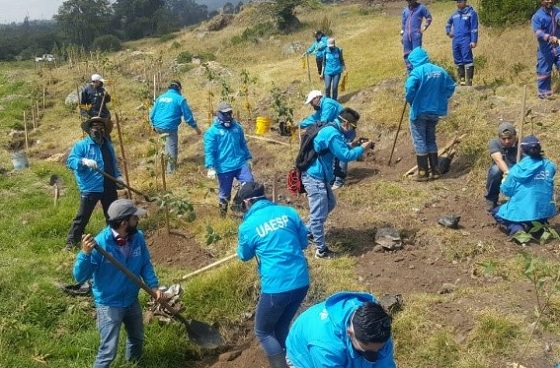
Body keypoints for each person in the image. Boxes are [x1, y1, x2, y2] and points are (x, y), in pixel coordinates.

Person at [74, 199, 163, 368]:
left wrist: (153, 286)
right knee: (108, 352)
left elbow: (145, 263)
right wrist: (85, 254)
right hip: (109, 305)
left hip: (131, 299)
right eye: (134, 218)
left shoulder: (138, 237)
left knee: (136, 338)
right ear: (124, 223)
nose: (138, 220)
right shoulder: (100, 245)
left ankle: (134, 364)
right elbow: (79, 277)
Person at [236, 182, 310, 368]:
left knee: (263, 331)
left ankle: (281, 366)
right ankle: (295, 362)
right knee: (281, 326)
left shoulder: (247, 226)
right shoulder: (289, 213)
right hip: (301, 281)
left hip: (276, 287)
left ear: (246, 202)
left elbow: (244, 256)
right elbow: (303, 243)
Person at [301, 107, 373, 258]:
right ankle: (321, 251)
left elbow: (337, 148)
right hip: (314, 177)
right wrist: (362, 148)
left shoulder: (332, 128)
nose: (353, 129)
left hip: (320, 176)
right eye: (353, 126)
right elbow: (345, 156)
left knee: (330, 203)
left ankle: (310, 232)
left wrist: (353, 144)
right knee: (318, 215)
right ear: (345, 123)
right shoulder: (332, 133)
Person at [285, 292, 396, 368]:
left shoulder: (377, 326)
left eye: (378, 349)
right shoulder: (325, 347)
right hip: (303, 356)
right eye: (367, 350)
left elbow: (385, 364)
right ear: (350, 333)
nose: (375, 354)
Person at [65, 118, 124, 251]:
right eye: (95, 127)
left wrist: (118, 176)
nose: (98, 129)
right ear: (89, 130)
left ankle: (114, 240)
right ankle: (71, 243)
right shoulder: (82, 146)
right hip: (91, 187)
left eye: (101, 127)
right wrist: (83, 161)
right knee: (83, 216)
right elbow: (70, 161)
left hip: (108, 184)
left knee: (113, 215)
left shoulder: (107, 145)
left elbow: (112, 164)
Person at [405, 47, 455, 181]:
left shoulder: (416, 72)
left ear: (415, 60)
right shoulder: (440, 71)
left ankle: (422, 173)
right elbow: (451, 86)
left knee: (420, 139)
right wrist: (442, 98)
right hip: (435, 111)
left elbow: (410, 88)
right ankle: (435, 171)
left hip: (420, 111)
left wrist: (410, 99)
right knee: (430, 139)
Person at [492, 135, 557, 239]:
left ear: (522, 150)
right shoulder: (550, 165)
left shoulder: (517, 169)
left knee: (497, 212)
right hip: (544, 210)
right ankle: (539, 225)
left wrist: (505, 180)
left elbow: (506, 191)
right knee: (536, 210)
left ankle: (517, 229)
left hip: (523, 210)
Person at [204, 101, 254, 217]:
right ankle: (222, 216)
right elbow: (209, 150)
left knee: (249, 183)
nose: (228, 116)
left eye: (230, 113)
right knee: (225, 194)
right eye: (225, 113)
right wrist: (210, 166)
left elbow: (242, 144)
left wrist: (248, 158)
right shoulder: (212, 132)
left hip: (240, 164)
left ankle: (237, 204)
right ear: (219, 114)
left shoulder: (237, 128)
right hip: (224, 167)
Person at [150, 80, 202, 173]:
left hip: (157, 126)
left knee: (166, 145)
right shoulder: (180, 99)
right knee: (172, 148)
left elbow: (152, 113)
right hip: (169, 127)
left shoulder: (160, 98)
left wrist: (153, 125)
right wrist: (196, 128)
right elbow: (188, 117)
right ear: (179, 88)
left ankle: (164, 166)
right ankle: (171, 172)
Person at [485, 122, 519, 212]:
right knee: (495, 170)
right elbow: (498, 160)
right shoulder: (494, 143)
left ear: (515, 136)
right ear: (499, 138)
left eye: (509, 138)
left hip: (518, 170)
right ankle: (491, 199)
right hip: (503, 170)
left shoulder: (521, 144)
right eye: (503, 139)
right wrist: (509, 174)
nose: (507, 141)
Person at [445, 0, 479, 86]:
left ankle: (469, 83)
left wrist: (473, 40)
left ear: (465, 2)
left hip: (466, 39)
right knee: (458, 60)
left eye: (460, 2)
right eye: (457, 2)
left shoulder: (471, 13)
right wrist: (449, 32)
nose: (458, 3)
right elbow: (448, 23)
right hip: (456, 40)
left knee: (467, 60)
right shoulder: (455, 14)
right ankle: (462, 83)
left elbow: (474, 28)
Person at [532, 0, 560, 99]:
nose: (550, 1)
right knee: (544, 74)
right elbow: (538, 32)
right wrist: (549, 38)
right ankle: (544, 99)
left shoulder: (557, 11)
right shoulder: (537, 16)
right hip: (545, 50)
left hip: (558, 47)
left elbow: (558, 18)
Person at [401, 0, 432, 73]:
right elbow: (403, 24)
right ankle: (410, 72)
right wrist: (402, 35)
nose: (410, 2)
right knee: (407, 54)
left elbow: (429, 18)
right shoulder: (405, 11)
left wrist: (424, 28)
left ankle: (418, 71)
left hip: (416, 35)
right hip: (406, 36)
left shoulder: (421, 8)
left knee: (416, 53)